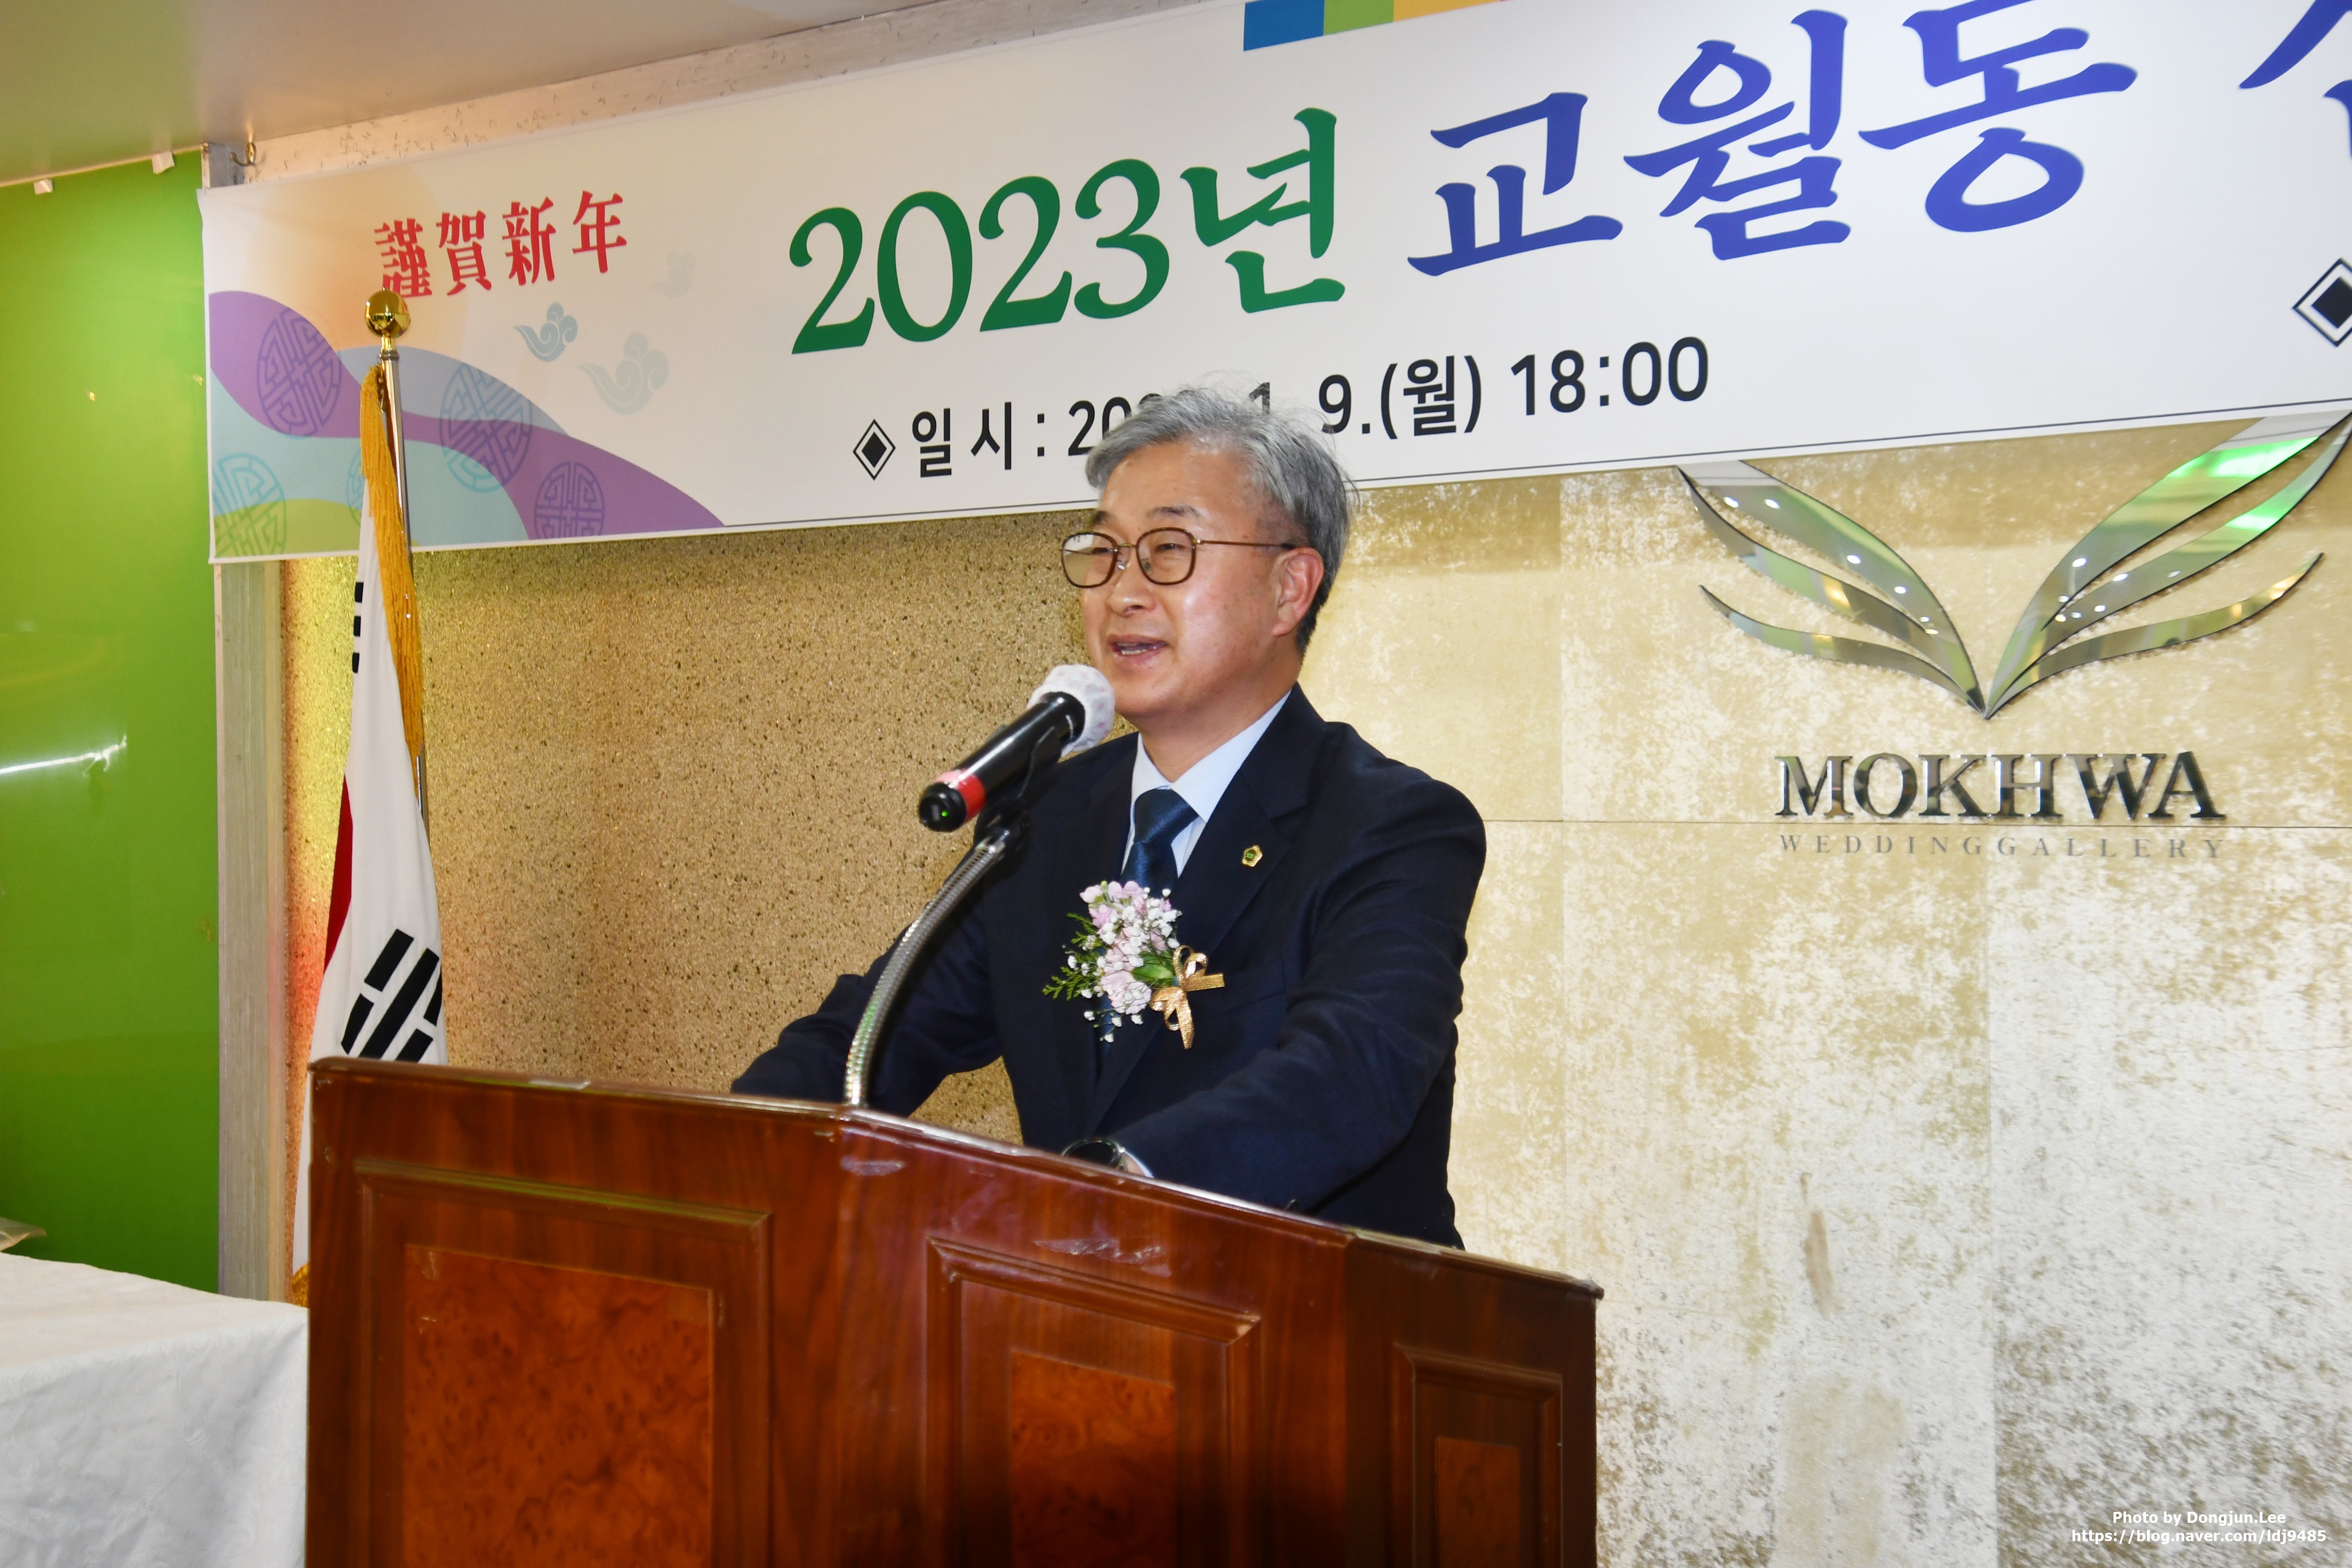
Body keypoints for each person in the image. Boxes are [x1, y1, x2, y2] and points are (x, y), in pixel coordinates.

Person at [732, 388, 1485, 1247]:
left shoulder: (1393, 827)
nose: (1122, 591)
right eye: (1105, 552)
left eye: (1168, 550)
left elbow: (1349, 1077)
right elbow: (872, 1036)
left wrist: (1100, 1191)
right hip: (1068, 1309)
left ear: (1289, 590)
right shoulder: (1047, 818)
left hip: (1309, 1313)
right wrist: (712, 1149)